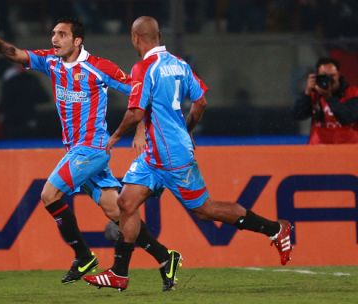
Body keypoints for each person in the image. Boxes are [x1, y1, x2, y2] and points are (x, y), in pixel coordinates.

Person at [84, 16, 294, 291]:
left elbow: (135, 113)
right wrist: (187, 129)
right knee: (126, 203)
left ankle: (276, 229)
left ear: (135, 38)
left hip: (172, 157)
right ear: (158, 35)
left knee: (205, 210)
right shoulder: (180, 65)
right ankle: (120, 273)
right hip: (154, 155)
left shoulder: (144, 67)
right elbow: (201, 101)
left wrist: (114, 137)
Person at [0, 17, 178, 288]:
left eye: (62, 34)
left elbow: (141, 94)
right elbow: (17, 54)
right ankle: (165, 257)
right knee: (117, 212)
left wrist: (140, 131)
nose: (54, 39)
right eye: (53, 33)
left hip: (91, 149)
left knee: (49, 194)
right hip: (78, 150)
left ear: (77, 40)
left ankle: (83, 256)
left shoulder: (99, 67)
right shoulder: (51, 62)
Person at [293, 57, 358, 144]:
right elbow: (298, 115)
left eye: (332, 76)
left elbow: (348, 117)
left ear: (338, 74)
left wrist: (328, 97)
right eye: (324, 76)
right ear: (317, 77)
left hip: (348, 149)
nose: (329, 80)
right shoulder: (313, 94)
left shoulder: (353, 93)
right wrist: (307, 92)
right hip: (319, 149)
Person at [0, 58, 50, 139]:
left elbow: (4, 104)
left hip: (13, 124)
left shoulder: (9, 82)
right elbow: (44, 98)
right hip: (28, 122)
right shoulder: (30, 79)